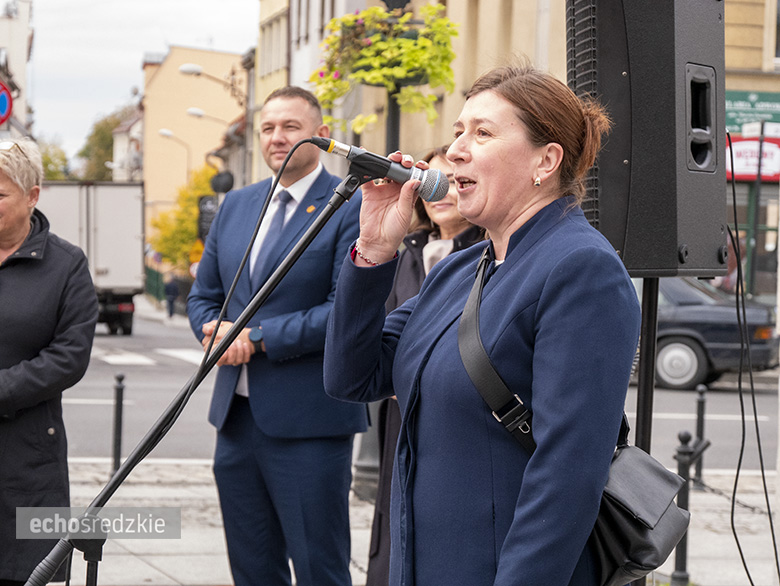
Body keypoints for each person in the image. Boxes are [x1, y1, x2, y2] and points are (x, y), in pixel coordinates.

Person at [323, 63, 642, 586]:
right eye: (457, 133)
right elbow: (352, 377)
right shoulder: (458, 269)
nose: (456, 151)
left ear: (546, 160)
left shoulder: (582, 268)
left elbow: (567, 475)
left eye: (483, 133)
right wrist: (374, 254)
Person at [186, 86, 367, 586]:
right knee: (252, 569)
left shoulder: (350, 204)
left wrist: (257, 336)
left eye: (291, 127)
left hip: (310, 421)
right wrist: (214, 330)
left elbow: (344, 312)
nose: (277, 137)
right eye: (268, 128)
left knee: (318, 569)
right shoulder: (236, 205)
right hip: (237, 420)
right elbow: (202, 296)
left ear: (322, 136)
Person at [366, 146, 483, 586]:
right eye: (430, 183)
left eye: (451, 182)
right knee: (394, 512)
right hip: (398, 409)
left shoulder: (485, 250)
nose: (440, 192)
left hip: (450, 408)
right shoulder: (409, 246)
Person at [0, 138, 98, 585]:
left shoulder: (66, 265)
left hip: (28, 457)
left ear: (32, 195)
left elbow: (69, 357)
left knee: (25, 571)